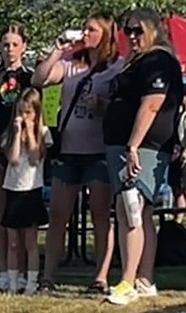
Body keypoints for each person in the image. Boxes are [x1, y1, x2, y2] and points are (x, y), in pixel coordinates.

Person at [33, 15, 122, 296]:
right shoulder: (72, 65)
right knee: (59, 214)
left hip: (99, 151)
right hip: (69, 150)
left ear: (106, 34)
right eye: (85, 28)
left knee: (99, 214)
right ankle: (48, 277)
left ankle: (100, 277)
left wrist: (105, 105)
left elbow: (124, 106)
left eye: (92, 29)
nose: (85, 33)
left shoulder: (117, 68)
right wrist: (58, 50)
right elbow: (38, 79)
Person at [102, 8, 184, 305]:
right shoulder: (134, 62)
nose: (132, 36)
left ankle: (128, 280)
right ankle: (144, 278)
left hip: (143, 146)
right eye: (128, 31)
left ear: (154, 30)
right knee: (138, 211)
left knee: (131, 209)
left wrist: (133, 145)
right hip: (123, 144)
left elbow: (152, 104)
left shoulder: (158, 60)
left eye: (138, 30)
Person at [0, 28, 33, 292]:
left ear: (24, 46)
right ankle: (4, 272)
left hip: (24, 155)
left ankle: (23, 271)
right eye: (5, 44)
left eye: (14, 44)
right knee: (2, 215)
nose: (9, 49)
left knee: (22, 217)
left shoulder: (31, 78)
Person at [1, 88, 51, 296]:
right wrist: (16, 133)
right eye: (21, 112)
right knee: (13, 241)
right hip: (13, 189)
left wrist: (31, 132)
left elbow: (34, 157)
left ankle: (32, 282)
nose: (24, 117)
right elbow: (12, 159)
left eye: (29, 112)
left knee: (30, 241)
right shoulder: (9, 134)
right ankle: (13, 282)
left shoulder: (44, 133)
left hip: (31, 189)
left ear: (36, 113)